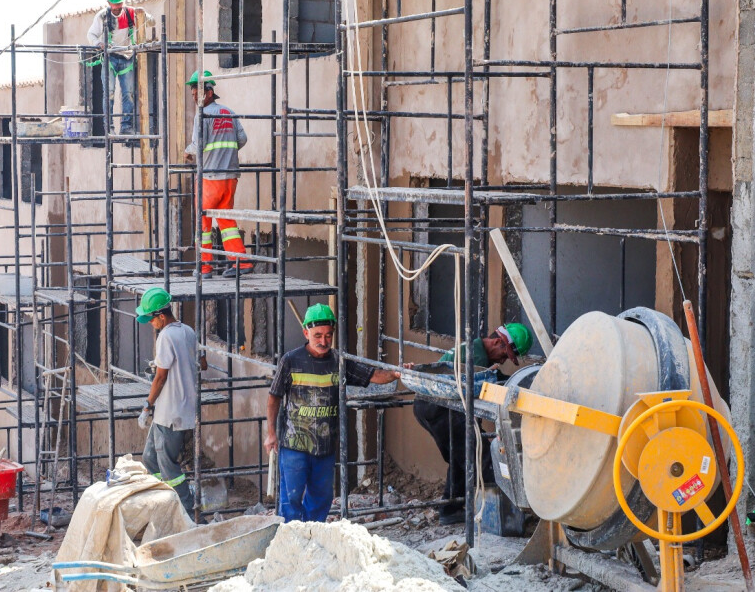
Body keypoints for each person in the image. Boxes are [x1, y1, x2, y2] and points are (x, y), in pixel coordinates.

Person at [264, 304, 401, 522]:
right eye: (317, 335)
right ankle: (290, 542)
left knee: (321, 498)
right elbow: (274, 398)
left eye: (328, 335)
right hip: (294, 445)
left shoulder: (339, 361)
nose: (324, 341)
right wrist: (271, 432)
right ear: (305, 333)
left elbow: (373, 375)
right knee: (291, 500)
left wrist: (396, 373)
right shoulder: (290, 361)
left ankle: (313, 536)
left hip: (325, 447)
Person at [407, 323, 533, 525]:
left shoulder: (477, 352)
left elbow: (498, 379)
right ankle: (505, 512)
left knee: (462, 455)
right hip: (440, 407)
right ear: (497, 342)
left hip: (432, 406)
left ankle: (450, 509)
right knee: (479, 454)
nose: (502, 360)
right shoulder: (474, 356)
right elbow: (491, 380)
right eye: (504, 354)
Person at [135, 287, 204, 516]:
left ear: (161, 316)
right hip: (176, 409)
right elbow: (200, 363)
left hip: (171, 411)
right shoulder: (188, 331)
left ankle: (187, 511)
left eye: (151, 319)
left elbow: (161, 377)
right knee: (149, 458)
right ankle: (161, 499)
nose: (150, 324)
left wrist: (147, 405)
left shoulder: (165, 336)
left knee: (168, 466)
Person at [183, 70, 252, 278]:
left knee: (203, 223)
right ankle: (242, 262)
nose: (195, 97)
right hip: (230, 177)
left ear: (209, 92)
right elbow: (242, 139)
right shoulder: (228, 112)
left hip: (210, 177)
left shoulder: (202, 115)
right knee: (226, 221)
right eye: (193, 93)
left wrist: (188, 151)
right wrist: (226, 154)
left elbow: (198, 144)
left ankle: (204, 268)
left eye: (197, 92)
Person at [86, 0, 154, 135]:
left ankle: (126, 127)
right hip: (110, 58)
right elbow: (91, 35)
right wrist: (99, 44)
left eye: (119, 4)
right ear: (108, 2)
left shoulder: (131, 13)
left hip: (127, 58)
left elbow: (152, 23)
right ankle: (108, 127)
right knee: (109, 93)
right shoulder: (102, 16)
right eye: (114, 4)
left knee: (128, 93)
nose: (117, 7)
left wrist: (144, 15)